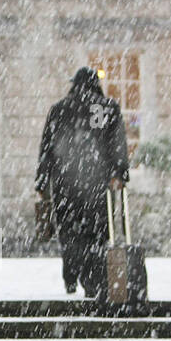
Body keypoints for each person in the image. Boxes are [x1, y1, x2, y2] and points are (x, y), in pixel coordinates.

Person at [35, 67, 130, 298]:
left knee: (69, 231)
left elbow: (47, 147)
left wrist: (42, 180)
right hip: (98, 183)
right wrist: (119, 173)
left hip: (65, 181)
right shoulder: (108, 108)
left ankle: (71, 274)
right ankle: (94, 278)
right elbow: (117, 143)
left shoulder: (59, 109)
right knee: (98, 231)